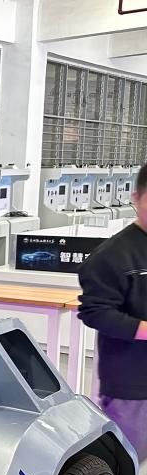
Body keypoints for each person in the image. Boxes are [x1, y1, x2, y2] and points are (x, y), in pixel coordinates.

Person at [78, 164, 147, 459]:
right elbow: (95, 312)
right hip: (132, 385)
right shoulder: (112, 255)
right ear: (136, 198)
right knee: (126, 462)